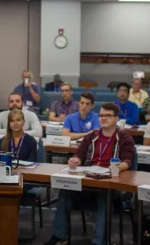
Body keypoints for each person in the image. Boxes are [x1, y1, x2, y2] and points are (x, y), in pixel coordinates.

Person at [45, 102, 136, 245]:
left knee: (104, 196)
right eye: (101, 115)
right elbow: (79, 155)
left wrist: (114, 169)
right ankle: (59, 237)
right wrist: (74, 161)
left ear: (116, 118)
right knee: (65, 191)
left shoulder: (124, 138)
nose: (103, 118)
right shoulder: (91, 136)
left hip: (109, 185)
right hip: (88, 181)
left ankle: (98, 242)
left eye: (108, 116)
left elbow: (128, 161)